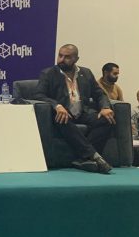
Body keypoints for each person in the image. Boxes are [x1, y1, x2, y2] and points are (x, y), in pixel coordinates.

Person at [34, 44, 115, 174]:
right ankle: (94, 156)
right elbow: (39, 95)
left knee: (107, 119)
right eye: (60, 55)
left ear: (76, 59)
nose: (61, 59)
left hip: (82, 112)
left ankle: (83, 158)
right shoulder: (48, 73)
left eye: (67, 57)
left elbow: (99, 94)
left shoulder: (86, 73)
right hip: (61, 114)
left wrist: (105, 107)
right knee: (62, 119)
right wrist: (57, 105)